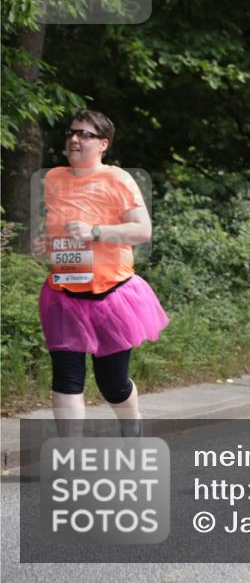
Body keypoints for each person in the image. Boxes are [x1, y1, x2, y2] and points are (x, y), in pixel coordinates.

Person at [31, 109, 168, 438]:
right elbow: (60, 230)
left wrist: (95, 232)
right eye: (71, 133)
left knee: (112, 383)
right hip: (64, 295)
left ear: (103, 144)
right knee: (66, 378)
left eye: (84, 134)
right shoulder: (53, 178)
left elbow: (142, 231)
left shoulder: (118, 179)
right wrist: (46, 245)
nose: (74, 139)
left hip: (111, 295)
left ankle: (130, 423)